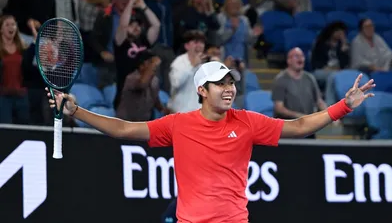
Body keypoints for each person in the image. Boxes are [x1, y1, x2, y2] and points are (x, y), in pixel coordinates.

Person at [47, 61, 375, 222]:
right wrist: (77, 111)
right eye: (220, 84)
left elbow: (301, 125)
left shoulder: (247, 121)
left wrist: (343, 106)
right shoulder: (178, 124)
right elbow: (123, 130)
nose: (228, 89)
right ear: (202, 91)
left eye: (231, 82)